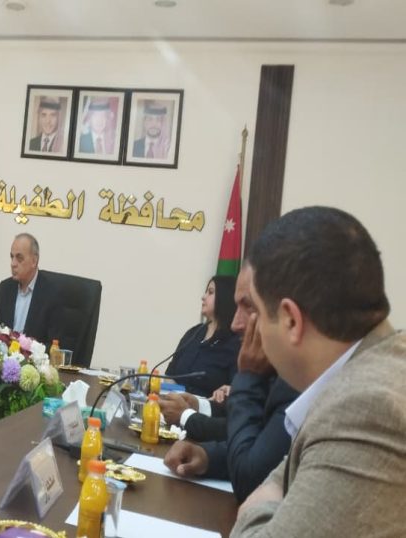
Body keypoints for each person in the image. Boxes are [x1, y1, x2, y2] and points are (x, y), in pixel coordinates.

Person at [231, 207, 405, 537]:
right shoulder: (362, 372)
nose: (249, 327)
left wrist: (255, 508)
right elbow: (281, 479)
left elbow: (267, 494)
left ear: (291, 321)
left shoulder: (367, 407)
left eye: (257, 311)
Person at [162, 263, 299, 501]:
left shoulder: (293, 382)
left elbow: (250, 474)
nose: (236, 324)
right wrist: (207, 456)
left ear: (289, 316)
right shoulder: (195, 333)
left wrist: (248, 375)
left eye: (248, 306)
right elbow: (258, 449)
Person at [165, 276, 241, 397]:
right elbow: (170, 375)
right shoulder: (193, 333)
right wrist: (174, 395)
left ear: (225, 297)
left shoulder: (235, 344)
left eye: (210, 292)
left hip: (205, 407)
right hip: (175, 404)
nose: (203, 297)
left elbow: (233, 392)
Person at [0, 233, 58, 345]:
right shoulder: (6, 288)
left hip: (32, 355)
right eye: (12, 257)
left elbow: (53, 345)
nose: (13, 264)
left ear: (34, 261)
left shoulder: (51, 293)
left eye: (19, 258)